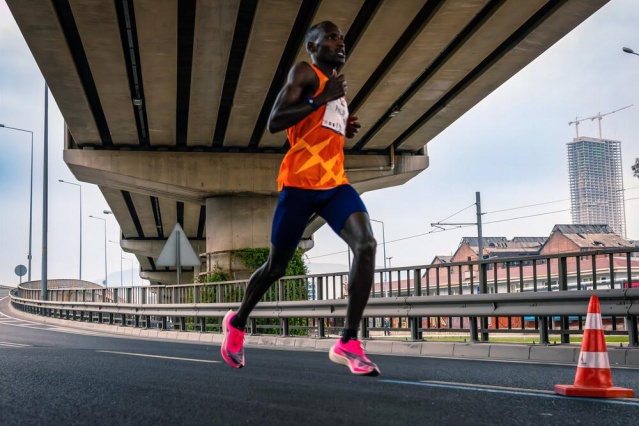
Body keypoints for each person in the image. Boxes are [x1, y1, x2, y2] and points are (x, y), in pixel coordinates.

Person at [220, 21, 380, 376]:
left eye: (343, 39)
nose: (341, 43)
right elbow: (275, 122)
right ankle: (237, 322)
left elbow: (316, 123)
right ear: (312, 45)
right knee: (276, 267)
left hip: (334, 184)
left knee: (366, 244)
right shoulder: (305, 73)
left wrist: (342, 124)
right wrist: (321, 98)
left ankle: (348, 341)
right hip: (299, 185)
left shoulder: (337, 89)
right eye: (333, 38)